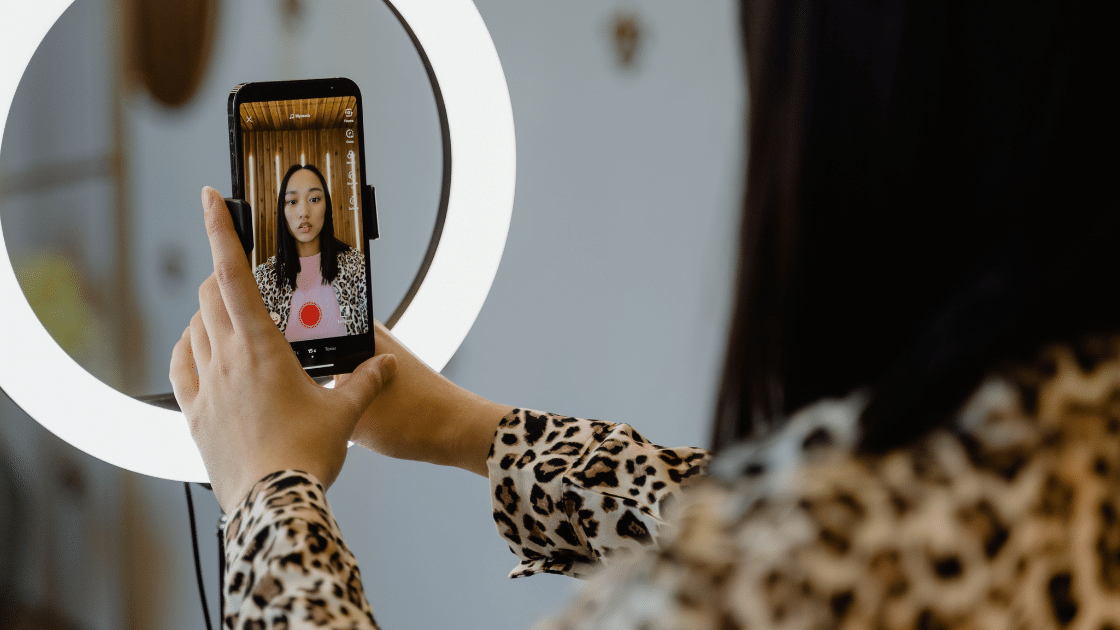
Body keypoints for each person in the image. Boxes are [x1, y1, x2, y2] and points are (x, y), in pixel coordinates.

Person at [171, 0, 1116, 628]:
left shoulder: (758, 586)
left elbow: (783, 548)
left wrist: (270, 495)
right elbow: (765, 516)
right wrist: (473, 432)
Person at [253, 163, 368, 341]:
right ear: (282, 211)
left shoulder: (357, 266)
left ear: (326, 206)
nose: (304, 213)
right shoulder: (264, 278)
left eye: (314, 199)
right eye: (292, 202)